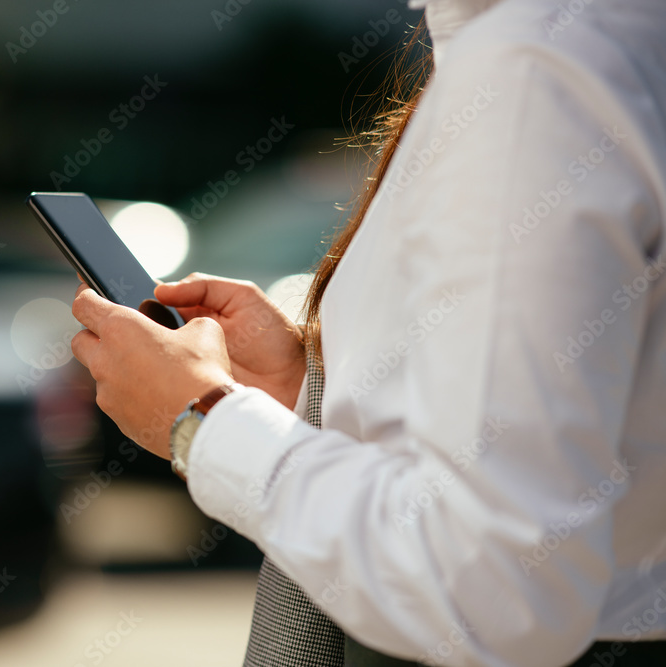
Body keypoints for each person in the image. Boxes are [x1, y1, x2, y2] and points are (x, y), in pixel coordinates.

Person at [68, 0, 666, 664]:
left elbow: (494, 589)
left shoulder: (534, 71)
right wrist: (308, 390)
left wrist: (202, 421)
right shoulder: (595, 45)